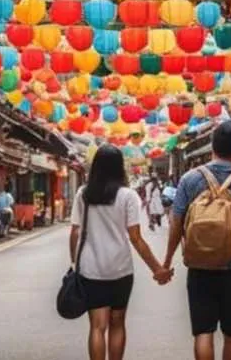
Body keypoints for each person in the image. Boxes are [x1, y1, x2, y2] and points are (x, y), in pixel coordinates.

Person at [164, 121, 231, 360]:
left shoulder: (190, 179)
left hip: (199, 265)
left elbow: (176, 223)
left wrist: (166, 262)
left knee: (203, 333)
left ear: (212, 147)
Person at [70, 146, 171, 360]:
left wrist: (74, 262)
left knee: (97, 327)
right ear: (120, 168)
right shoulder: (128, 196)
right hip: (120, 269)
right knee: (117, 323)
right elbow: (135, 238)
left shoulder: (83, 194)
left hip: (91, 269)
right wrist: (157, 269)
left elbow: (75, 232)